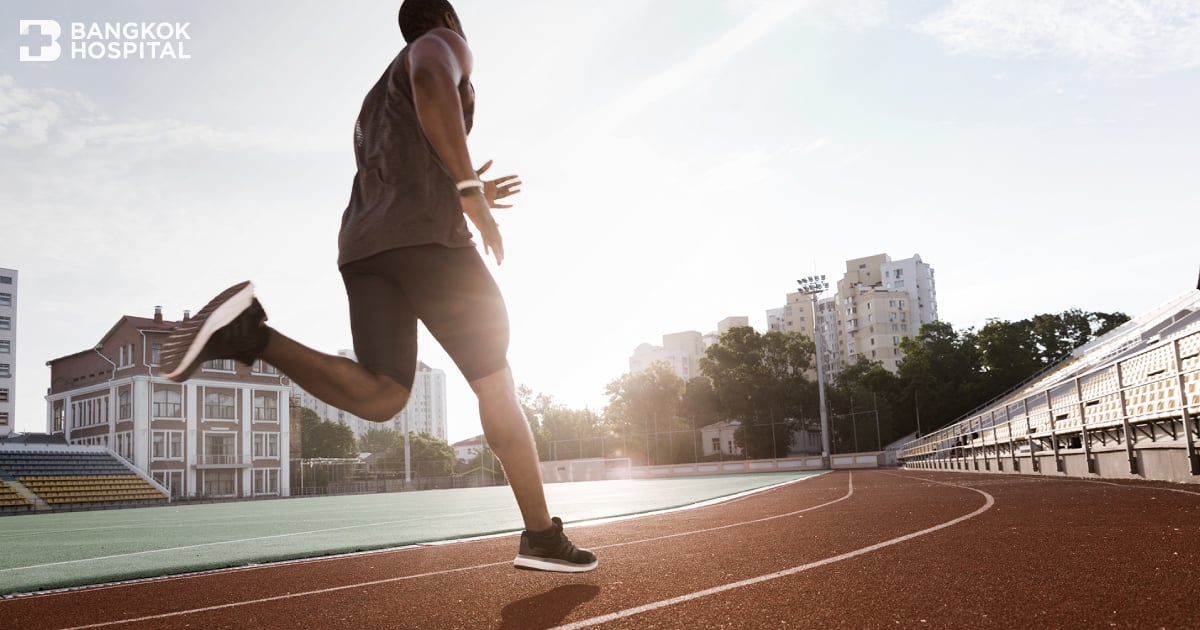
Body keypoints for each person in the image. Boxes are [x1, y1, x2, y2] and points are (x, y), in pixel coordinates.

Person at [159, 0, 596, 573]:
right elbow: (430, 74)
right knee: (496, 383)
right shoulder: (439, 46)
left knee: (384, 393)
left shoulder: (373, 101)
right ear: (448, 19)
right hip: (430, 244)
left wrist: (465, 183)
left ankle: (249, 335)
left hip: (364, 247)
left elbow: (403, 162)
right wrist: (468, 193)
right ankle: (541, 537)